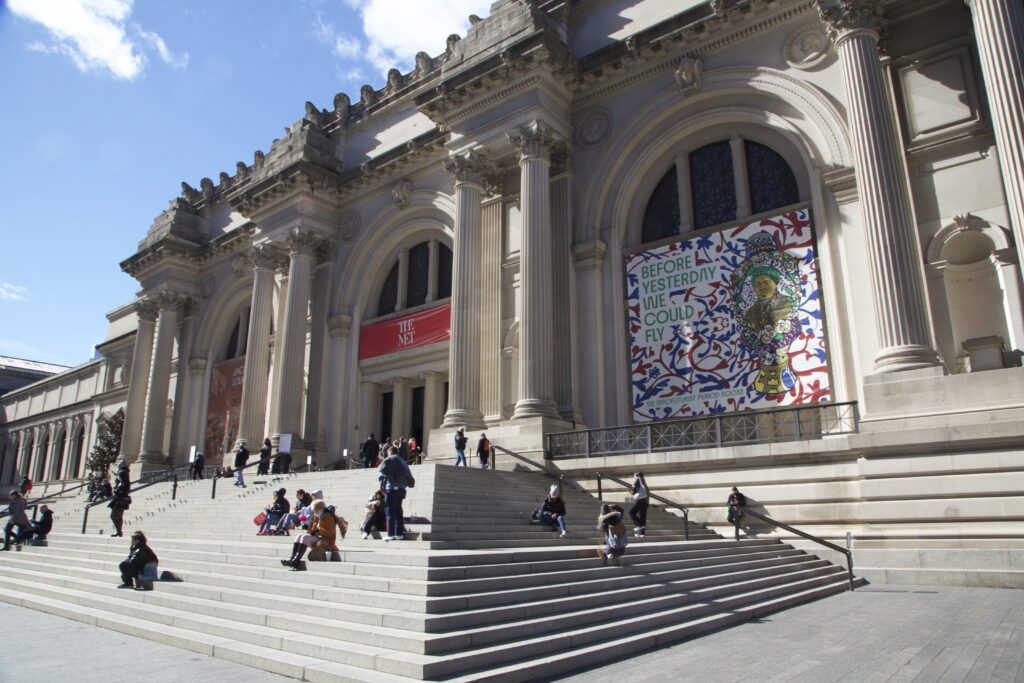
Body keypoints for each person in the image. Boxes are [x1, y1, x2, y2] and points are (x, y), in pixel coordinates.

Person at [281, 499, 337, 569]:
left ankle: (296, 561)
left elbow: (330, 533)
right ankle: (292, 558)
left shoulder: (329, 517)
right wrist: (308, 528)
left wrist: (318, 530)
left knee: (305, 538)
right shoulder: (316, 517)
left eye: (316, 510)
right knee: (299, 536)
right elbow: (313, 531)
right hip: (319, 538)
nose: (315, 512)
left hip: (327, 541)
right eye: (314, 510)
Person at [378, 445, 415, 541]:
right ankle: (399, 533)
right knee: (398, 511)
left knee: (390, 511)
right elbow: (409, 476)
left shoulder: (390, 459)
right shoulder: (403, 461)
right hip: (401, 489)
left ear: (389, 452)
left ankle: (390, 534)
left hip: (392, 489)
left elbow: (381, 472)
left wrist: (383, 485)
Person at [109, 463, 132, 537]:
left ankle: (118, 531)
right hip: (119, 497)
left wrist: (118, 490)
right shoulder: (121, 478)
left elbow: (124, 488)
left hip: (120, 498)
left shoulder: (123, 476)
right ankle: (119, 531)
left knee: (114, 515)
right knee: (117, 516)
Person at [629, 471, 650, 537]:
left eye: (634, 475)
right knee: (642, 516)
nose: (634, 477)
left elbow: (633, 490)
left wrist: (632, 492)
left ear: (637, 475)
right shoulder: (644, 482)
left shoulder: (638, 480)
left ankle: (639, 525)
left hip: (639, 500)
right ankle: (641, 533)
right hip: (645, 502)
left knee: (631, 512)